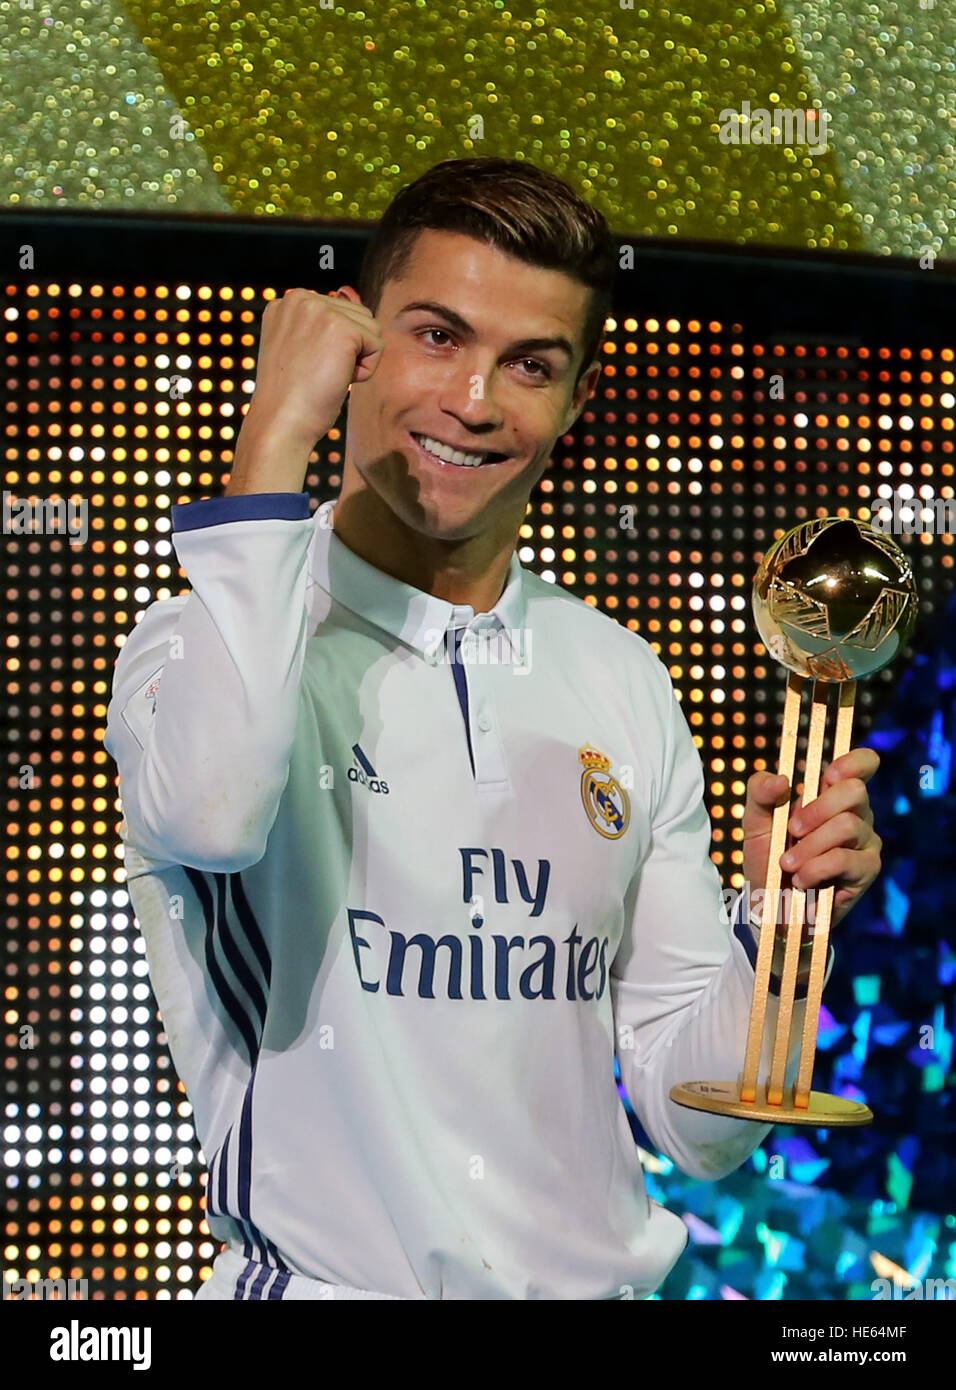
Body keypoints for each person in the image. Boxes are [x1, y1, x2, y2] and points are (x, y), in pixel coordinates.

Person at [103, 156, 883, 1301]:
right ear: (355, 348)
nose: (474, 401)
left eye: (529, 365)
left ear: (573, 403)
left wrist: (778, 929)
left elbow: (697, 1127)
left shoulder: (618, 676)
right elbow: (215, 815)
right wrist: (275, 431)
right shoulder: (191, 642)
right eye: (435, 336)